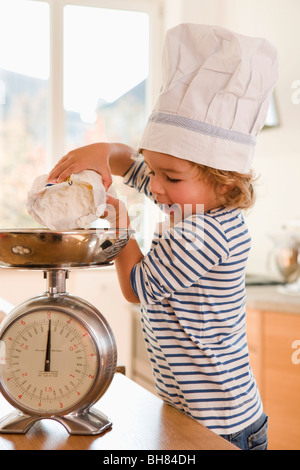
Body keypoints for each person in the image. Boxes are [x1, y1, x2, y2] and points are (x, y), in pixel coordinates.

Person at [48, 24, 279, 449]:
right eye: (154, 170)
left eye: (168, 176)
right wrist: (105, 152)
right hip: (192, 410)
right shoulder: (193, 203)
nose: (154, 186)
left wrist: (119, 223)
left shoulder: (205, 233)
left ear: (226, 183)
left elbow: (136, 286)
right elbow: (134, 167)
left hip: (223, 426)